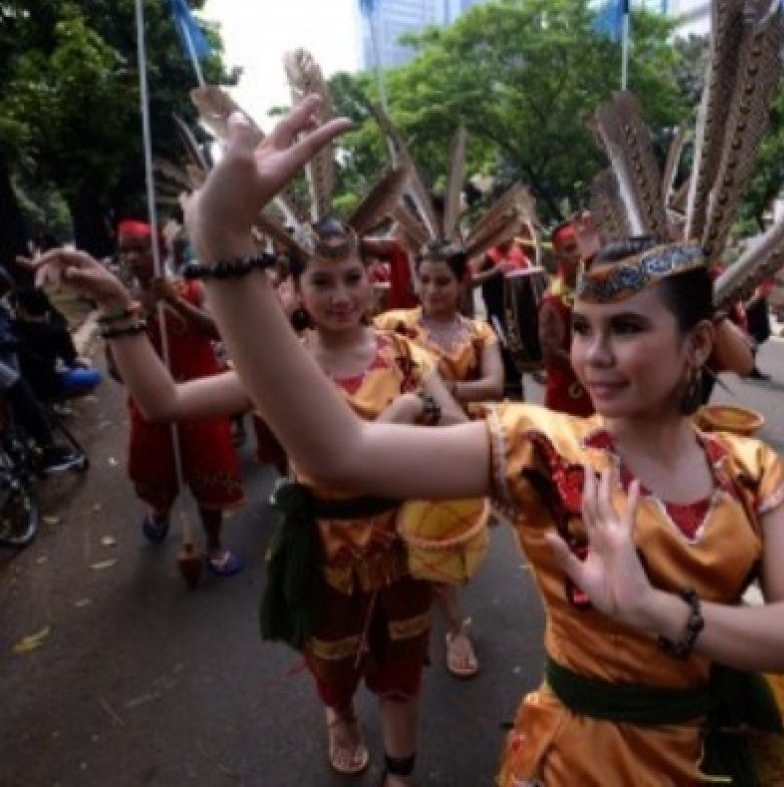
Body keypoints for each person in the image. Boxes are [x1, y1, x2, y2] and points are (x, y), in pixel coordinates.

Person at [153, 93, 784, 784]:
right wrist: (222, 242)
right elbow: (342, 451)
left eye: (627, 329)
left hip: (710, 759)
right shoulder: (539, 446)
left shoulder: (747, 468)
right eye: (583, 329)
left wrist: (652, 610)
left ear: (696, 345)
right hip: (580, 765)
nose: (593, 355)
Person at [34, 219, 466, 786]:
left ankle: (402, 775)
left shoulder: (408, 355)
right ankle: (338, 715)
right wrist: (117, 305)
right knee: (334, 664)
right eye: (322, 281)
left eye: (352, 277)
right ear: (293, 289)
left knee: (402, 667)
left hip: (401, 541)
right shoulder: (280, 368)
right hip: (322, 549)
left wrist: (425, 411)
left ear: (372, 280)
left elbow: (460, 430)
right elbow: (162, 400)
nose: (340, 297)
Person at [376, 245, 506, 679]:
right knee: (423, 538)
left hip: (457, 445)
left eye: (443, 281)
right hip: (408, 446)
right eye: (424, 280)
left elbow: (493, 385)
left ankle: (434, 612)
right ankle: (455, 630)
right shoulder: (394, 327)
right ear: (414, 280)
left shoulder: (479, 332)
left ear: (462, 283)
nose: (432, 290)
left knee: (446, 538)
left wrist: (438, 395)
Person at [111, 220, 245, 575]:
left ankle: (214, 544)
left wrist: (174, 302)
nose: (132, 257)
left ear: (162, 251)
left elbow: (219, 331)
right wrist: (138, 312)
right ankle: (159, 511)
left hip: (202, 402)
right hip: (151, 409)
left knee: (210, 474)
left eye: (140, 248)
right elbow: (114, 369)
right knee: (156, 475)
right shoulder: (119, 304)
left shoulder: (193, 289)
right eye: (125, 249)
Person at [538, 220, 595, 418]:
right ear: (558, 257)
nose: (579, 253)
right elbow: (551, 354)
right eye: (570, 249)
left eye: (581, 245)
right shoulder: (553, 300)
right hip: (569, 398)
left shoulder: (596, 284)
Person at [8, 286, 102, 402]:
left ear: (20, 307)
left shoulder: (12, 329)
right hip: (51, 385)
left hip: (21, 384)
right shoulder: (57, 331)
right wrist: (83, 363)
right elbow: (70, 358)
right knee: (94, 375)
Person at [472, 240, 531, 399]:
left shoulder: (518, 252)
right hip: (498, 321)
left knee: (518, 369)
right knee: (506, 369)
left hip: (519, 320)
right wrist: (495, 271)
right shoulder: (485, 256)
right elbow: (468, 281)